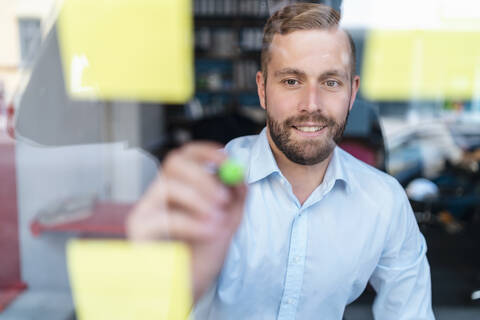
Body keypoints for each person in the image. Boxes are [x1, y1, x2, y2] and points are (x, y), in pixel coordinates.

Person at [127, 3, 435, 319]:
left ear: (352, 93)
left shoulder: (384, 201)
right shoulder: (204, 187)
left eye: (330, 82)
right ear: (262, 89)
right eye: (291, 81)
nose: (311, 104)